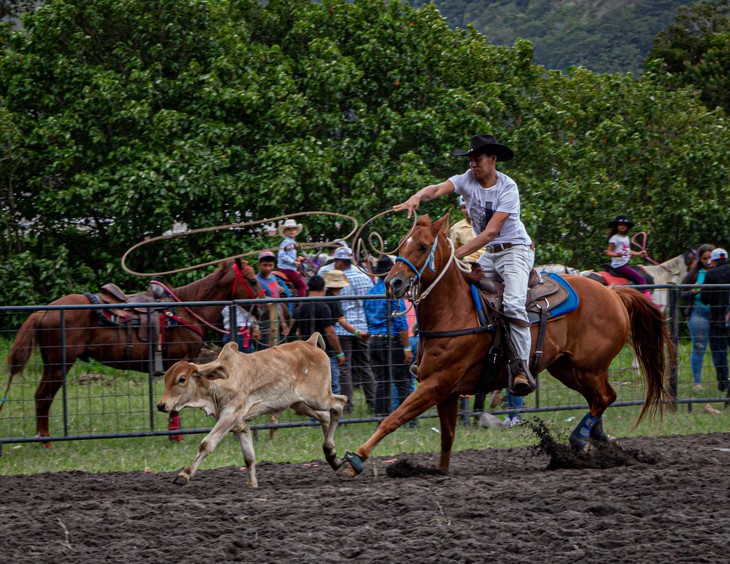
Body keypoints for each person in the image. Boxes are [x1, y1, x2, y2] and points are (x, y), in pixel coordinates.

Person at [393, 133, 535, 397]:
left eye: (477, 159)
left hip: (514, 251)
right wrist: (416, 197)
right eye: (470, 160)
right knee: (450, 289)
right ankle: (445, 356)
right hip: (490, 254)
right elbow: (436, 189)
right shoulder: (466, 180)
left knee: (514, 303)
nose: (472, 165)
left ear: (492, 159)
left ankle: (521, 367)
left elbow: (491, 232)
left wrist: (455, 255)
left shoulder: (508, 187)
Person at [364, 256, 414, 417]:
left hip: (374, 340)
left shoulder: (369, 293)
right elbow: (400, 321)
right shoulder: (391, 292)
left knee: (382, 382)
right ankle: (407, 418)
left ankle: (381, 417)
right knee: (402, 381)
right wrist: (406, 346)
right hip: (390, 340)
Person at [330, 246, 377, 413]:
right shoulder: (365, 277)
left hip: (343, 329)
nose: (334, 264)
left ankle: (347, 406)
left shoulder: (338, 279)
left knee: (345, 368)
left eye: (336, 261)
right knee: (365, 366)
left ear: (341, 262)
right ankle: (373, 403)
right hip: (363, 327)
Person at [290, 275, 346, 393]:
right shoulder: (323, 307)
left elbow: (299, 333)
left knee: (310, 387)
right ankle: (332, 411)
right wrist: (340, 353)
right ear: (323, 289)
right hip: (324, 354)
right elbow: (330, 333)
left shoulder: (300, 308)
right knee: (331, 386)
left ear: (308, 288)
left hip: (306, 354)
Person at [322, 269, 364, 397]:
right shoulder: (334, 301)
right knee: (334, 379)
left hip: (317, 340)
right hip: (327, 343)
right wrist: (357, 332)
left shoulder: (324, 298)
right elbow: (341, 321)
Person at [680, 244, 715, 390]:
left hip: (717, 313)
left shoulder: (721, 272)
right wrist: (692, 292)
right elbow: (681, 292)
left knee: (719, 347)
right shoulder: (695, 273)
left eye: (710, 257)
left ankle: (723, 380)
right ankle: (697, 382)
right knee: (699, 347)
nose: (708, 261)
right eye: (704, 258)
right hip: (698, 312)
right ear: (700, 259)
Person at [700, 248, 730, 395]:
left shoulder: (711, 274)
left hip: (718, 320)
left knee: (719, 352)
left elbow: (704, 299)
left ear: (714, 261)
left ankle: (724, 381)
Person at [255, 250, 290, 348]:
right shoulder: (256, 281)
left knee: (275, 349)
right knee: (265, 351)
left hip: (275, 321)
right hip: (264, 322)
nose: (268, 268)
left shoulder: (273, 278)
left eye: (270, 265)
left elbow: (278, 303)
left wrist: (283, 323)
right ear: (259, 265)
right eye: (265, 265)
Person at [605, 215, 648, 286]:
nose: (622, 226)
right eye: (620, 224)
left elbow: (628, 251)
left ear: (627, 226)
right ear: (616, 226)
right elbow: (609, 252)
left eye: (624, 225)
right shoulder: (615, 238)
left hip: (625, 264)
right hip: (620, 265)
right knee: (641, 280)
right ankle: (644, 297)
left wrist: (639, 254)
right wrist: (616, 255)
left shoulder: (626, 237)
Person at [277, 218, 308, 298]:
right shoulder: (287, 242)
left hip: (289, 267)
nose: (292, 231)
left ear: (296, 231)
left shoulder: (292, 242)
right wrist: (293, 262)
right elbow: (281, 255)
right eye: (289, 229)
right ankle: (302, 304)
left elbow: (289, 255)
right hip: (287, 269)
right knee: (303, 286)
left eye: (293, 229)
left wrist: (298, 259)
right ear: (285, 232)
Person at [450, 196, 485, 263]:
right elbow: (453, 250)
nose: (467, 210)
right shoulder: (456, 228)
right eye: (464, 207)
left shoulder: (488, 223)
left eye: (469, 206)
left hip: (489, 259)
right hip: (469, 263)